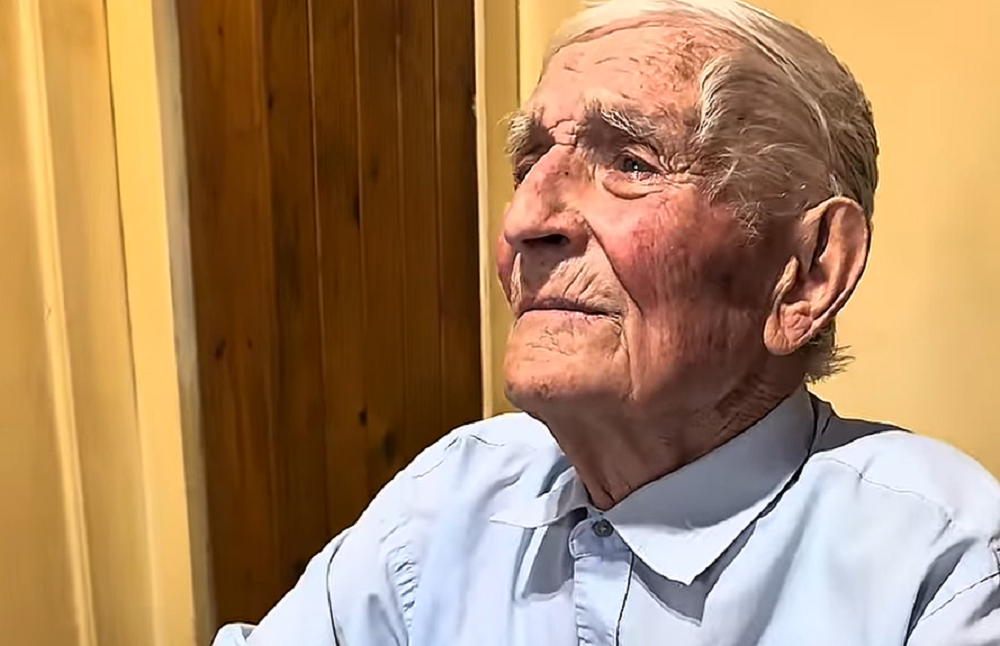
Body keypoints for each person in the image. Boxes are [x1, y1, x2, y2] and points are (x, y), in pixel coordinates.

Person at [213, 0, 1000, 643]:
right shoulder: (453, 494)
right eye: (529, 164)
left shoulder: (940, 564)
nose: (524, 220)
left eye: (630, 163)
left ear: (810, 271)